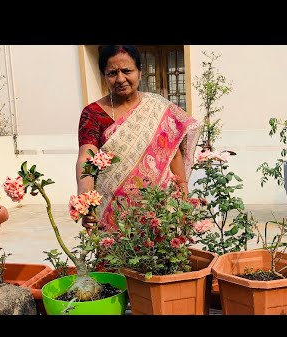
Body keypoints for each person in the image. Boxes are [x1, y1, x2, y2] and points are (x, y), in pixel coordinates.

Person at [76, 45, 201, 231]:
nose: (120, 79)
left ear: (140, 72)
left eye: (127, 71)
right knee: (118, 258)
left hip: (161, 208)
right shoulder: (93, 114)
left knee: (164, 257)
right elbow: (87, 157)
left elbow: (173, 153)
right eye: (112, 73)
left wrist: (183, 193)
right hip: (114, 212)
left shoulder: (158, 106)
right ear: (104, 76)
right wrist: (85, 200)